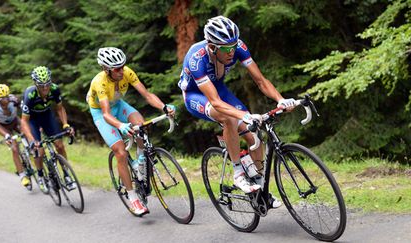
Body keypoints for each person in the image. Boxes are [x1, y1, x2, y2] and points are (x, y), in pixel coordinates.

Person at [178, 16, 296, 206]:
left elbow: (260, 81)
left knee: (254, 134)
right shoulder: (196, 58)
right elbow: (215, 102)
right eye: (226, 48)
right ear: (212, 47)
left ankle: (260, 189)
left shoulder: (237, 47)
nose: (231, 51)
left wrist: (281, 100)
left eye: (233, 46)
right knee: (229, 118)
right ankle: (238, 172)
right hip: (196, 95)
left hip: (219, 88)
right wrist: (244, 115)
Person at [86, 47, 175, 216]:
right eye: (117, 69)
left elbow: (147, 95)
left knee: (141, 125)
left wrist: (164, 107)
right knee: (120, 152)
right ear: (106, 69)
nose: (121, 71)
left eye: (123, 66)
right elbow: (106, 114)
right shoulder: (100, 82)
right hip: (102, 113)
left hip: (119, 105)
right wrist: (120, 126)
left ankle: (141, 163)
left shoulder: (126, 72)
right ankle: (132, 197)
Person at [20, 66, 75, 193]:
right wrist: (32, 140)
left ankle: (67, 174)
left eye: (47, 84)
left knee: (60, 145)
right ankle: (40, 176)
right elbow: (24, 121)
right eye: (41, 85)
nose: (45, 88)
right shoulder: (30, 94)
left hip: (47, 116)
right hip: (32, 119)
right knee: (39, 150)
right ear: (35, 84)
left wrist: (65, 125)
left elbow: (60, 108)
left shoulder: (54, 89)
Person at [0, 84, 31, 188]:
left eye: (7, 96)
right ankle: (22, 175)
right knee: (15, 148)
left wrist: (30, 125)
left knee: (29, 135)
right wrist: (7, 136)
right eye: (3, 98)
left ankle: (31, 152)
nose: (6, 99)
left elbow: (25, 112)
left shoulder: (14, 100)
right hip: (3, 127)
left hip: (15, 121)